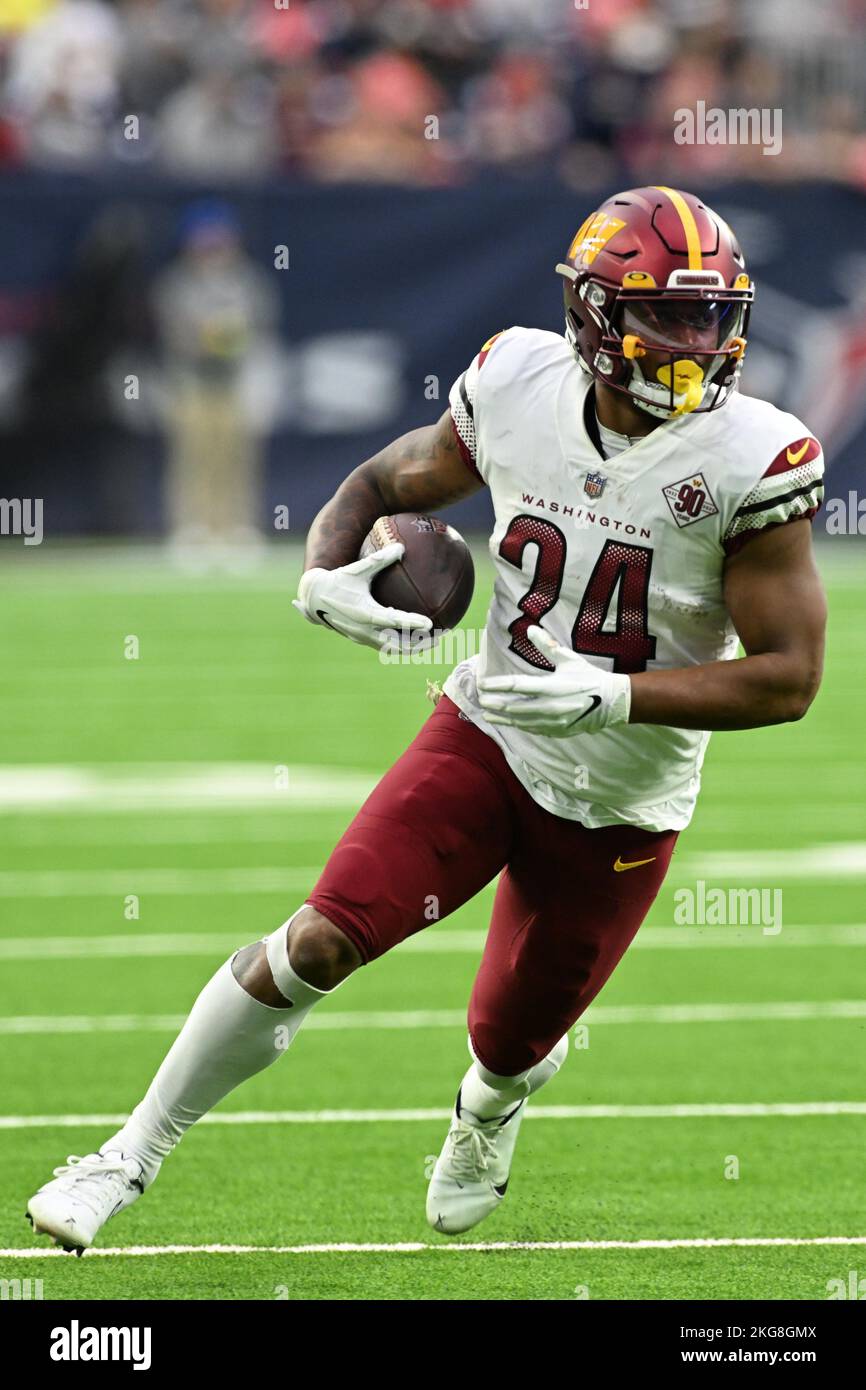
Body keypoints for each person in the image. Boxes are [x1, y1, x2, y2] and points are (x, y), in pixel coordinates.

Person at [27, 186, 826, 1249]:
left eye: (710, 315)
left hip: (623, 797)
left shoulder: (751, 457)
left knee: (508, 1038)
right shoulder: (515, 382)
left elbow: (787, 677)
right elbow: (377, 480)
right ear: (592, 315)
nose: (695, 343)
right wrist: (323, 573)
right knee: (316, 940)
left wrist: (614, 694)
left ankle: (487, 1109)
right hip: (487, 733)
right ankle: (122, 1158)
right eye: (665, 316)